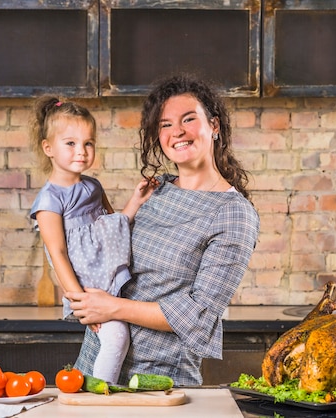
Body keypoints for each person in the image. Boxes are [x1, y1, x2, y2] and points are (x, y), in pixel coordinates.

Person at [68, 74, 260, 386]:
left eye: (188, 119)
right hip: (93, 365)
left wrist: (111, 306)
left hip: (158, 382)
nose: (177, 132)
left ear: (214, 126)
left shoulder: (233, 214)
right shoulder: (157, 191)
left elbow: (197, 313)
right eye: (166, 124)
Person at [29, 96, 154, 384]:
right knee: (117, 338)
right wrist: (81, 303)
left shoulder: (93, 186)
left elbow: (115, 226)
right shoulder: (49, 200)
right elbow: (57, 253)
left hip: (115, 280)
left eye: (89, 143)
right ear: (48, 148)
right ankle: (102, 398)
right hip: (90, 291)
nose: (82, 151)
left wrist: (136, 200)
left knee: (131, 335)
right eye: (70, 143)